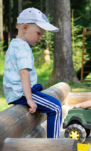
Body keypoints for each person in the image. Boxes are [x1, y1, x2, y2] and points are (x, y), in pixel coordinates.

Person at [3, 8, 61, 138]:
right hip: (22, 93)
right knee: (56, 108)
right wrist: (29, 98)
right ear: (24, 28)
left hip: (18, 91)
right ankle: (54, 145)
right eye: (39, 33)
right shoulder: (23, 47)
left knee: (50, 102)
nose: (41, 38)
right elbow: (24, 73)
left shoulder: (15, 44)